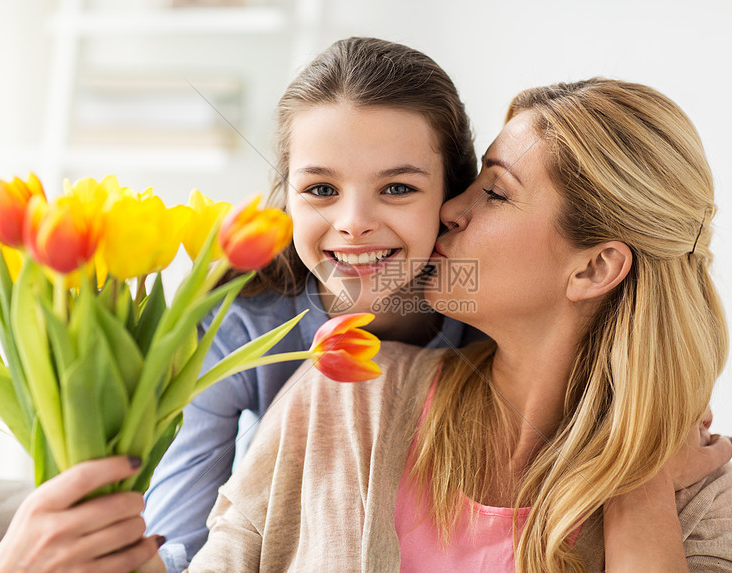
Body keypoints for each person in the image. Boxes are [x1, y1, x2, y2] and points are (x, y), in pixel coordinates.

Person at [174, 78, 732, 571]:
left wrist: (637, 478)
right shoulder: (347, 396)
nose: (451, 209)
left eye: (497, 193)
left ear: (593, 268)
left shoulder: (702, 494)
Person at [141, 37, 484, 572]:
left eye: (396, 188)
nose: (352, 222)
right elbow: (173, 541)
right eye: (322, 190)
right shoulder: (241, 321)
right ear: (287, 195)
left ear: (453, 196)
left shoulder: (488, 318)